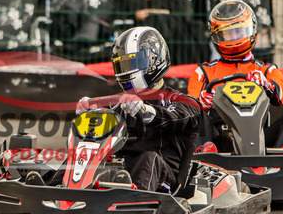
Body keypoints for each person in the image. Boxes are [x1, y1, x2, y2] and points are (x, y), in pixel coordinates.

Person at [73, 26, 202, 193]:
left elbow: (175, 116)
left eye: (132, 63)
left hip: (163, 182)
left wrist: (145, 111)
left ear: (153, 61)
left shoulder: (183, 102)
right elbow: (95, 107)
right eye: (122, 66)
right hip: (119, 173)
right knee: (82, 154)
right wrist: (86, 108)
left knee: (149, 158)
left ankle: (136, 201)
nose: (126, 71)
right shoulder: (117, 102)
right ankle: (56, 191)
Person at [187, 0, 283, 151]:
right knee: (196, 116)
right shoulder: (204, 72)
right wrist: (202, 103)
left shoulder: (266, 70)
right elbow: (188, 107)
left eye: (239, 31)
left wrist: (266, 84)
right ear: (217, 35)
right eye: (228, 33)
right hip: (218, 138)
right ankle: (205, 151)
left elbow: (280, 97)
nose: (234, 38)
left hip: (257, 137)